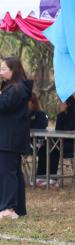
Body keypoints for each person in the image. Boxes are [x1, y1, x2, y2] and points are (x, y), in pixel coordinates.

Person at [0, 57, 32, 219]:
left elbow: (3, 106)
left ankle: (8, 207)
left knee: (7, 173)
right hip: (10, 136)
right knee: (14, 172)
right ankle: (18, 207)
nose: (1, 72)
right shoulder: (14, 87)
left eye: (4, 69)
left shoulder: (17, 89)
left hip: (10, 137)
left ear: (14, 71)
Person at [37, 95, 75, 183]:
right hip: (59, 142)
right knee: (43, 147)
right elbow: (57, 132)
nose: (59, 104)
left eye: (62, 102)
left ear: (68, 104)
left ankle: (52, 177)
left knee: (55, 150)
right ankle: (40, 176)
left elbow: (72, 131)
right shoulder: (60, 116)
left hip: (72, 144)